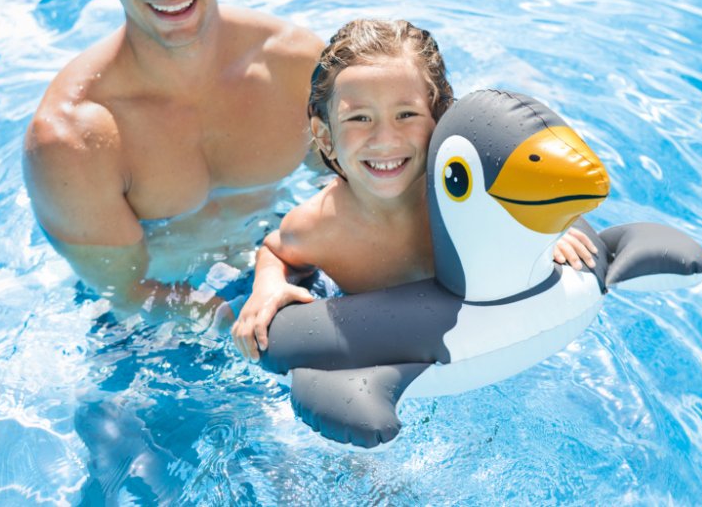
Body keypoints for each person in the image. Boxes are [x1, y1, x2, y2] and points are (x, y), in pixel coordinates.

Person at [22, 0, 324, 322]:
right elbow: (124, 291)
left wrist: (277, 280)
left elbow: (350, 197)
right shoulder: (72, 138)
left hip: (282, 272)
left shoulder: (295, 68)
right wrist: (236, 325)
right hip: (153, 330)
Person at [231, 19, 598, 360]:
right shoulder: (320, 226)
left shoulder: (476, 196)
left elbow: (537, 201)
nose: (385, 139)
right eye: (359, 118)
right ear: (325, 137)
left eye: (406, 114)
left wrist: (542, 236)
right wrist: (267, 286)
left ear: (440, 118)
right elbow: (276, 251)